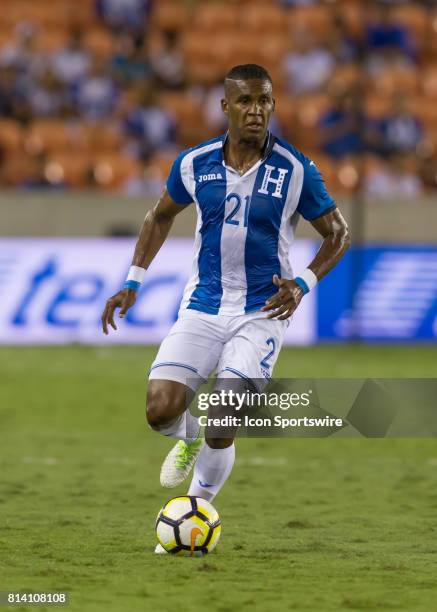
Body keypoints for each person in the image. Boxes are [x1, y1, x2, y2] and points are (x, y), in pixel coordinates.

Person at [101, 64, 350, 552]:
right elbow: (159, 216)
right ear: (225, 107)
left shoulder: (295, 168)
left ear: (273, 104)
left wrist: (302, 282)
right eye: (245, 101)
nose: (255, 110)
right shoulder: (194, 163)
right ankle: (189, 435)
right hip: (204, 304)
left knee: (225, 413)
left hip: (262, 312)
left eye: (264, 101)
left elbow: (338, 232)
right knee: (159, 410)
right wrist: (133, 280)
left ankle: (197, 508)